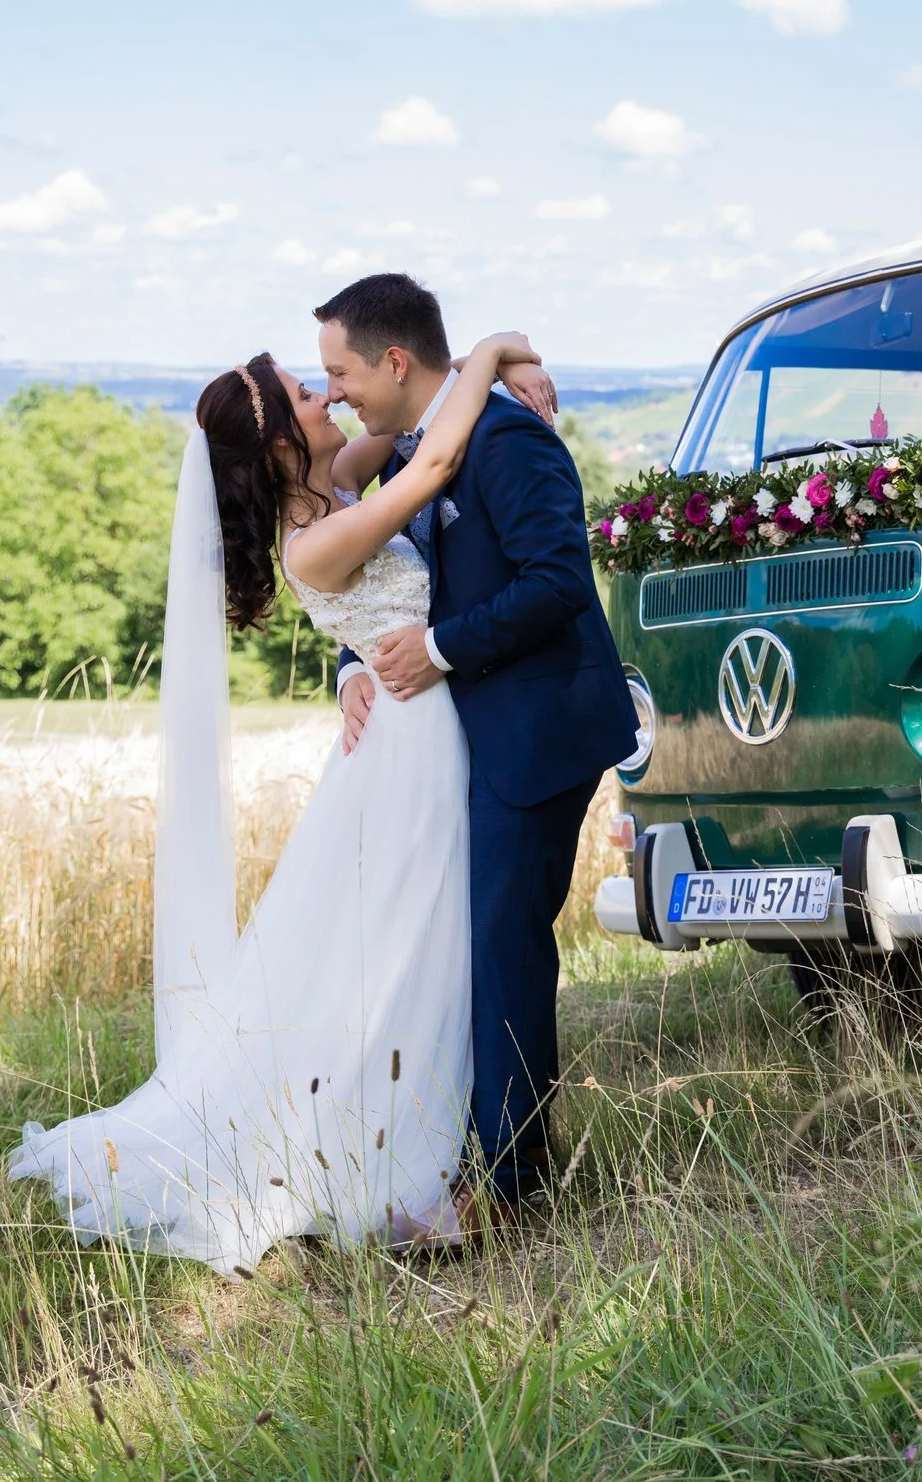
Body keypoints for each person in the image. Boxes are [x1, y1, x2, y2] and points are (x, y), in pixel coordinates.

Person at [7, 324, 554, 1272]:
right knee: (411, 942)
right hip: (409, 753)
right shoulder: (313, 542)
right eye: (311, 395)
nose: (331, 401)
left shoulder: (338, 489)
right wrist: (499, 344)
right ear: (277, 446)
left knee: (410, 941)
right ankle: (385, 1158)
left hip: (413, 731)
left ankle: (440, 1135)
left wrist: (489, 369)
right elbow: (433, 467)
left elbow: (416, 425)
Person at [320, 272, 639, 1229]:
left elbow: (557, 582)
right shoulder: (404, 461)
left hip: (538, 728)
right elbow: (385, 588)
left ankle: (508, 1177)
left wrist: (442, 651)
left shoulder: (509, 441)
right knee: (474, 938)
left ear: (395, 360)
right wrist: (354, 668)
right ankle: (487, 1140)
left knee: (499, 940)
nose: (335, 391)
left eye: (340, 371)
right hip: (465, 737)